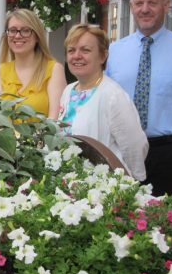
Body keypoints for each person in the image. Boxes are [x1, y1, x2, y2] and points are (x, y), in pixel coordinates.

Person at [107, 0, 172, 199]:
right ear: (131, 7)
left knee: (162, 222)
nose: (145, 9)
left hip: (166, 153)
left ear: (166, 5)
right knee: (117, 218)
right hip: (121, 149)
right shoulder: (114, 52)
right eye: (139, 3)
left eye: (152, 3)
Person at [59, 24, 148, 180]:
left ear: (102, 56)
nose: (77, 55)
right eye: (71, 50)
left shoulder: (113, 95)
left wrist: (131, 181)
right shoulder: (68, 91)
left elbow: (135, 146)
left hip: (103, 188)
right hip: (69, 184)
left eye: (85, 50)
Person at [0, 9, 66, 119]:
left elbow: (55, 121)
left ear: (37, 36)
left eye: (25, 30)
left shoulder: (54, 70)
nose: (17, 36)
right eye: (12, 30)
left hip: (42, 136)